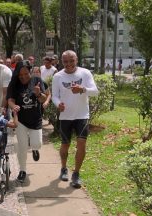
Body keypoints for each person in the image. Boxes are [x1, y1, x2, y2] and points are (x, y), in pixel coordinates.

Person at [51, 50, 99, 188]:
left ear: (76, 59)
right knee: (65, 144)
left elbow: (95, 91)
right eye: (65, 61)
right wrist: (57, 103)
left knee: (82, 144)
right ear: (61, 62)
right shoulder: (58, 76)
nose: (69, 64)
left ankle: (76, 174)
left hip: (82, 115)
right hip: (65, 116)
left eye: (71, 60)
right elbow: (55, 95)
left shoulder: (85, 73)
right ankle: (64, 168)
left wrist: (82, 89)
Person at [7, 60, 47, 183]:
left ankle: (35, 149)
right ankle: (22, 170)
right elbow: (10, 100)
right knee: (22, 147)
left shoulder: (37, 81)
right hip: (21, 121)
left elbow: (43, 99)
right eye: (20, 75)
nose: (23, 77)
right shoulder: (14, 84)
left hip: (35, 119)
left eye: (26, 74)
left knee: (37, 144)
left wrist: (38, 93)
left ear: (30, 71)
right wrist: (13, 106)